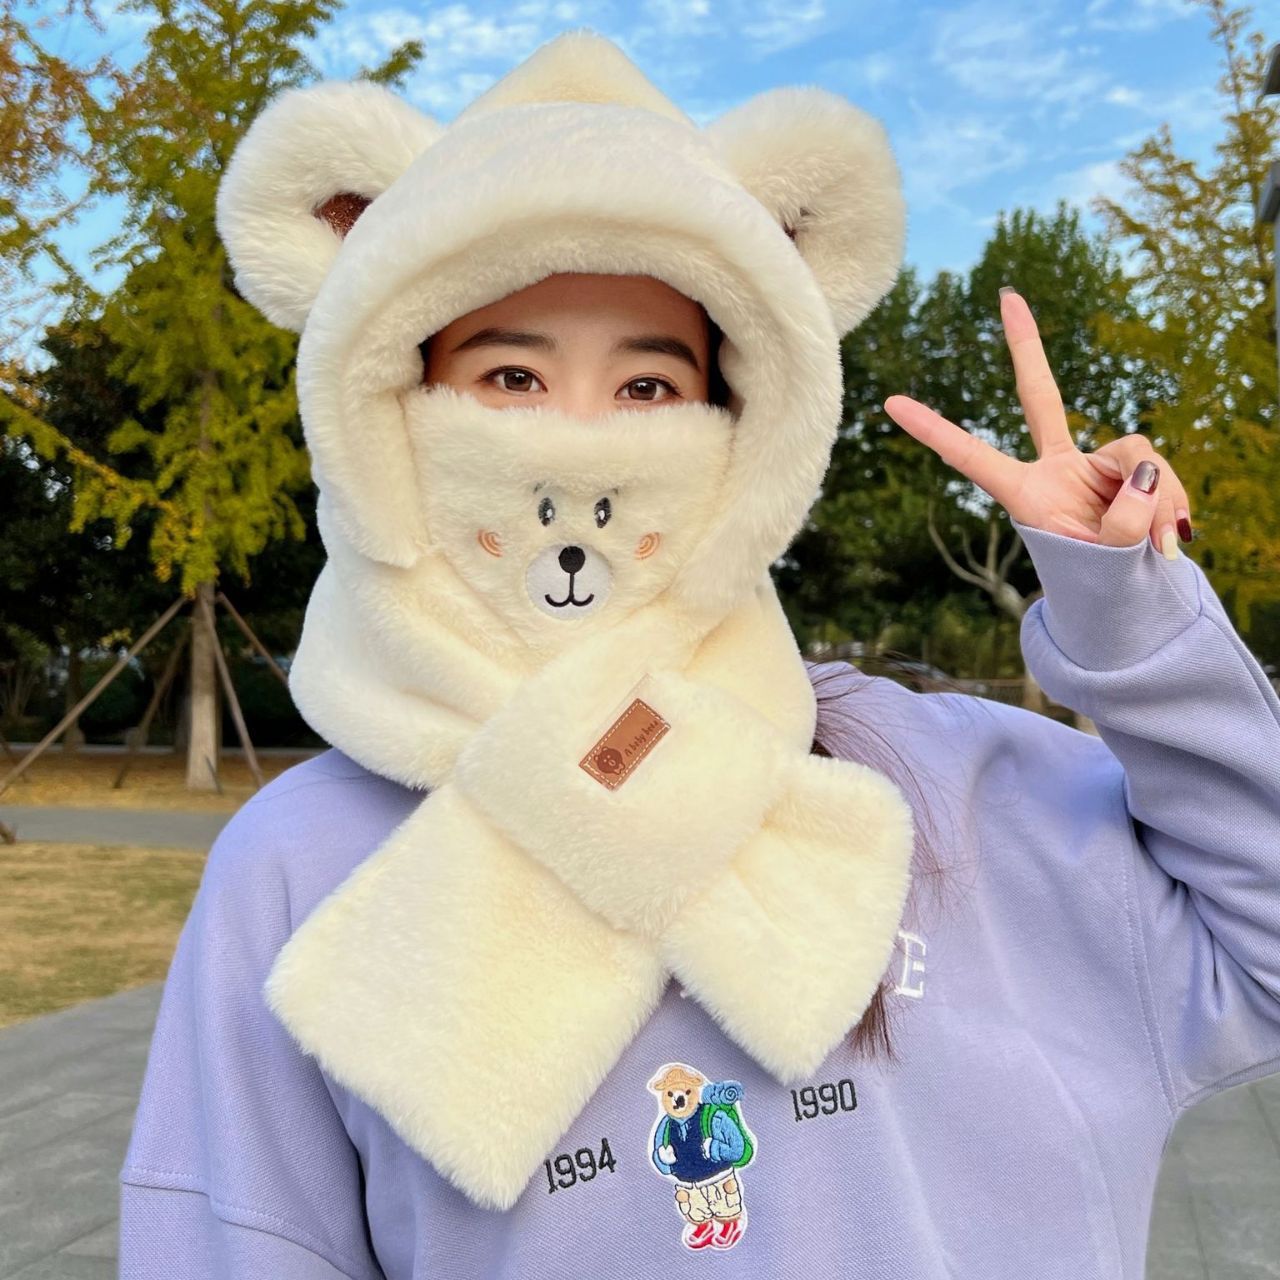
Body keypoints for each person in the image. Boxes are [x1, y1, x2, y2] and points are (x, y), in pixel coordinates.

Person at [118, 27, 1280, 1280]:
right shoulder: (300, 866)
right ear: (387, 414)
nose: (578, 443)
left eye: (648, 387)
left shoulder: (942, 780)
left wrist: (1128, 613)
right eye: (509, 376)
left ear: (748, 429)